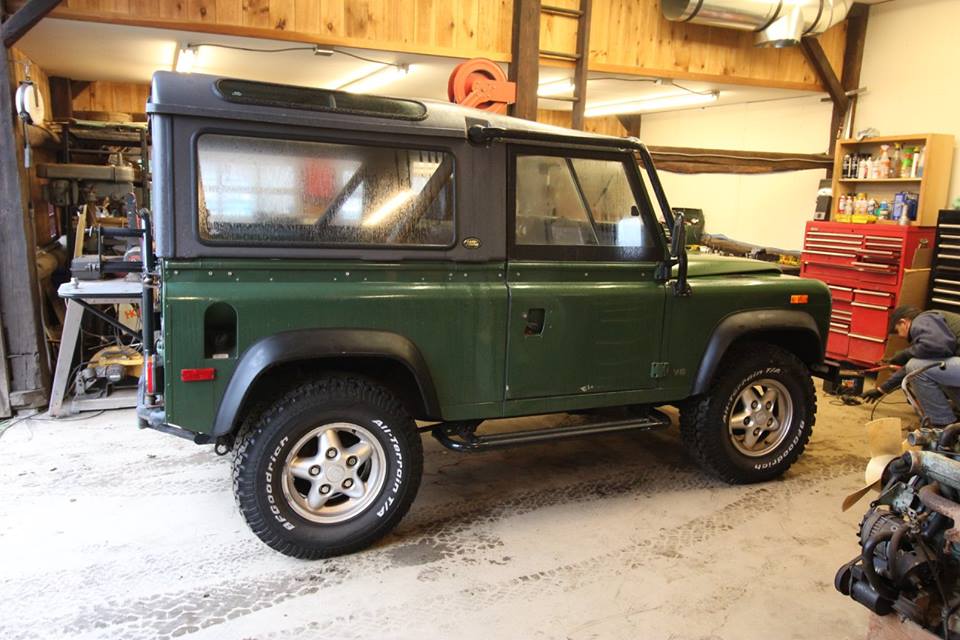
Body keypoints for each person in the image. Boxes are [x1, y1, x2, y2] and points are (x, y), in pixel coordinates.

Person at [862, 305, 960, 426]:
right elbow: (910, 369)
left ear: (904, 322)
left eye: (898, 331)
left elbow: (938, 347)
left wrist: (904, 355)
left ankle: (942, 424)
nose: (901, 336)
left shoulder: (922, 319)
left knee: (917, 366)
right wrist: (881, 390)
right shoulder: (933, 328)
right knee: (929, 368)